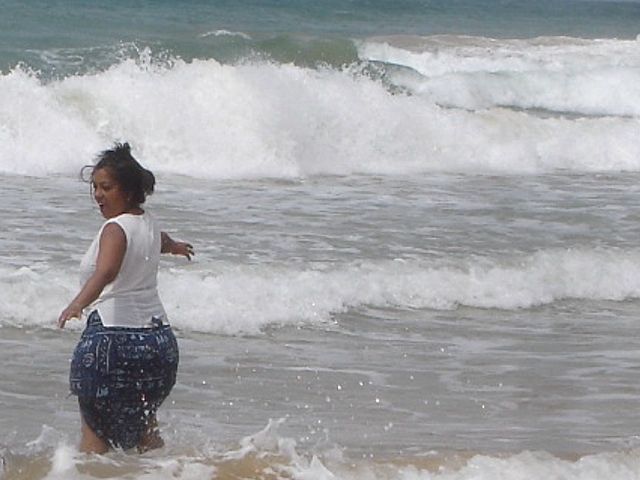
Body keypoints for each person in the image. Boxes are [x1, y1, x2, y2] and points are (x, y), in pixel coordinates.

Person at [58, 142, 194, 453]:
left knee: (95, 439)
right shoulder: (149, 223)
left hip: (113, 342)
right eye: (95, 187)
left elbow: (106, 271)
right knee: (146, 431)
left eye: (106, 187)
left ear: (130, 191)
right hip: (159, 346)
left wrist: (77, 304)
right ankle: (169, 472)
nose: (98, 195)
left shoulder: (114, 228)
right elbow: (160, 240)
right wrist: (175, 247)